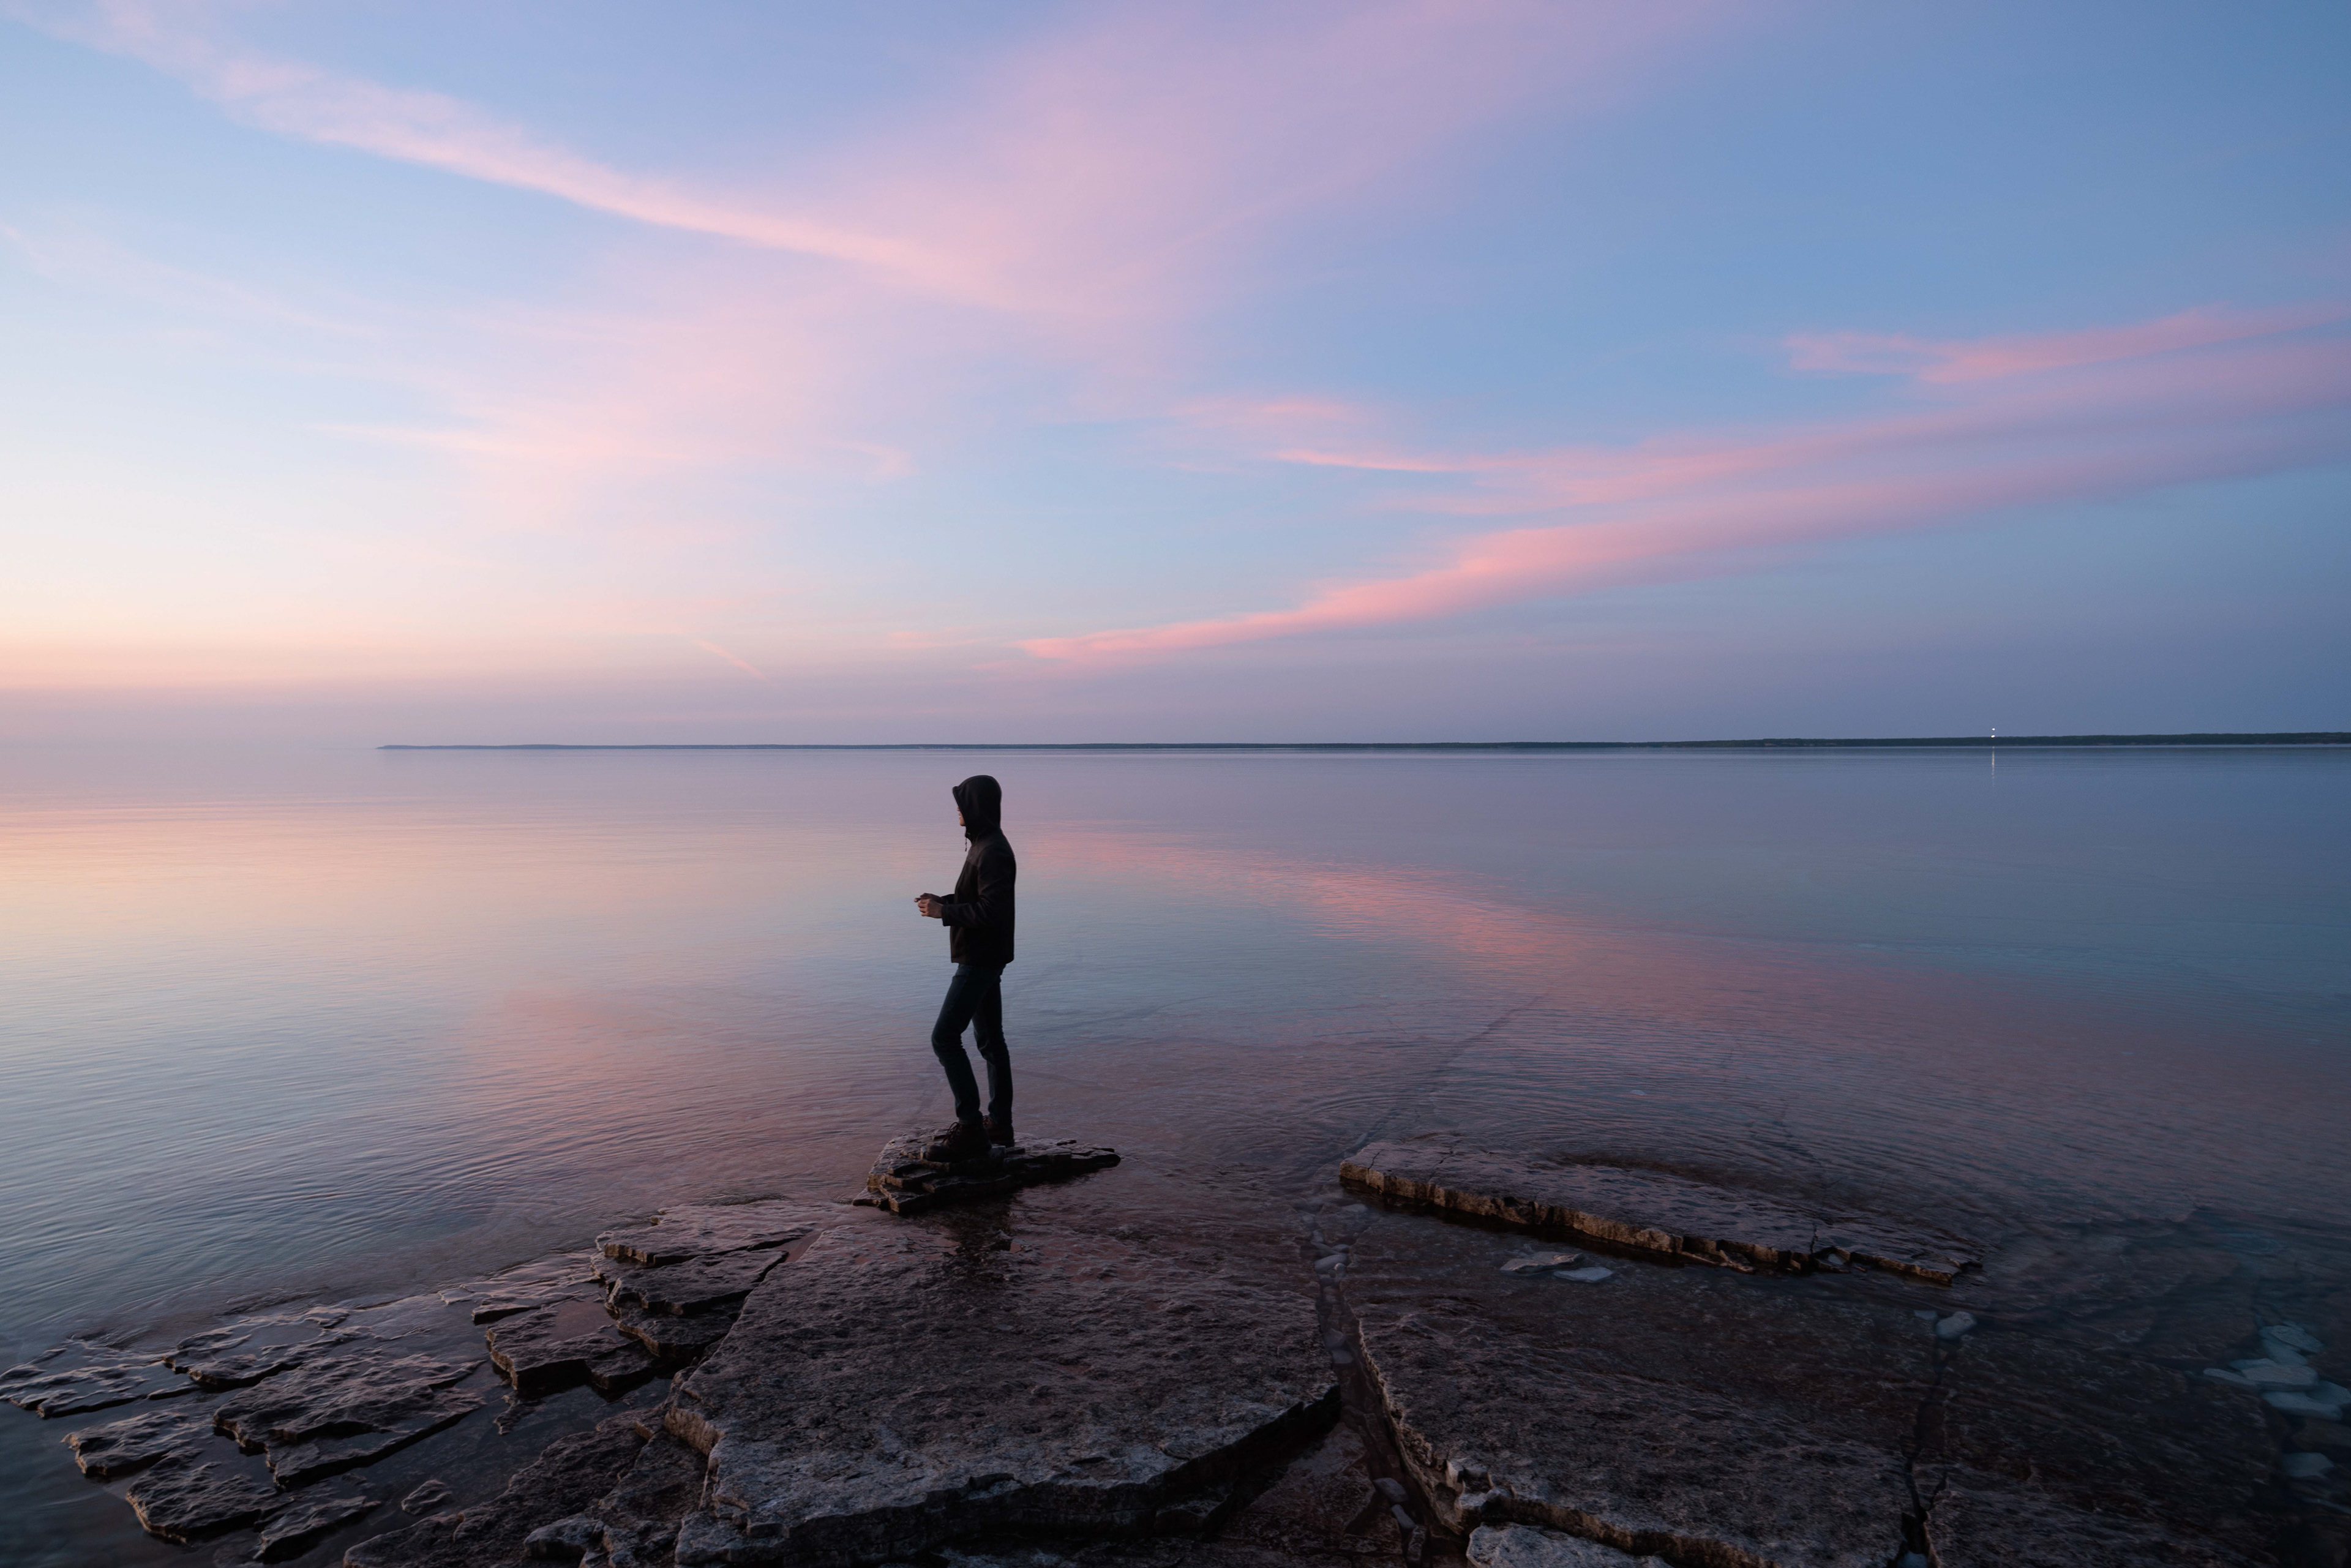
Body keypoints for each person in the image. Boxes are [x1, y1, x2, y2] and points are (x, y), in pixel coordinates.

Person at [913, 774, 1015, 1161]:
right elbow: (980, 898)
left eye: (961, 802)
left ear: (976, 807)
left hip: (980, 959)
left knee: (944, 1038)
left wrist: (944, 912)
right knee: (990, 1041)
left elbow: (993, 910)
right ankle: (999, 1125)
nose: (957, 809)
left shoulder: (993, 851)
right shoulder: (984, 845)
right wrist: (945, 900)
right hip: (985, 955)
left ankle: (972, 1127)